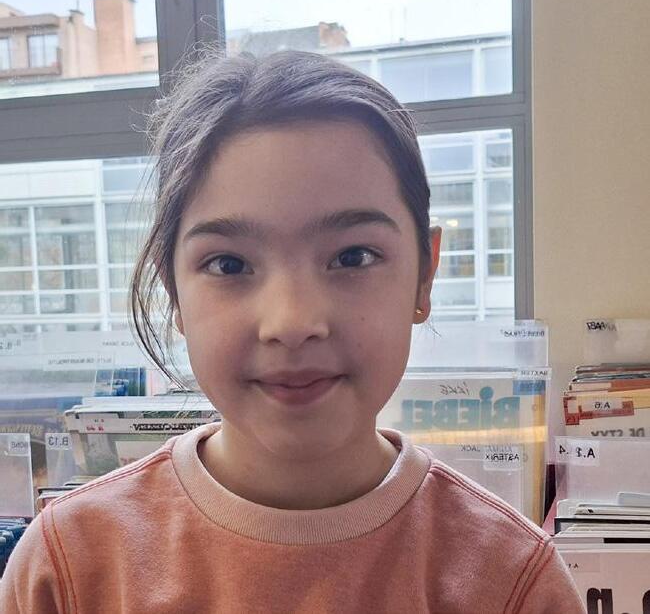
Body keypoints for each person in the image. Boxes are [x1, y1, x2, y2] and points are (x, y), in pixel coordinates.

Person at [0, 49, 586, 613]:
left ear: (424, 275)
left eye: (353, 256)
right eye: (229, 264)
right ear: (173, 289)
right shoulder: (69, 568)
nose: (292, 323)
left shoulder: (510, 579)